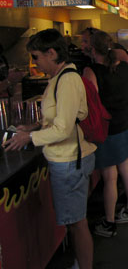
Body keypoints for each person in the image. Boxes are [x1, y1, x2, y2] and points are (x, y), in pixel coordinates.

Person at [3, 29, 96, 269]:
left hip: (69, 162)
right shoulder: (59, 78)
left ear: (51, 53)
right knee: (76, 221)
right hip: (69, 159)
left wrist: (29, 137)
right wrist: (34, 125)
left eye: (36, 56)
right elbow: (62, 118)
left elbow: (63, 129)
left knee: (77, 222)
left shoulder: (67, 80)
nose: (35, 63)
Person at [83, 30, 128, 238]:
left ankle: (109, 222)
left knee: (109, 176)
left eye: (84, 42)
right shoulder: (125, 68)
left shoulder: (91, 71)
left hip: (106, 128)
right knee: (126, 168)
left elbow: (91, 103)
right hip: (125, 124)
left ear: (91, 48)